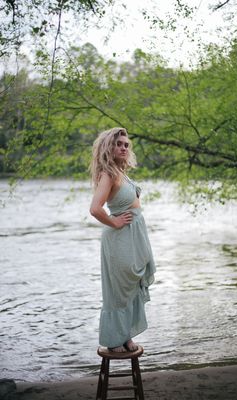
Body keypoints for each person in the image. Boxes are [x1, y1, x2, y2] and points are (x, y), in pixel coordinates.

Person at [90, 127, 156, 352]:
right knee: (118, 289)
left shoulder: (121, 172)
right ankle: (113, 338)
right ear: (109, 147)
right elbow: (95, 209)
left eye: (127, 145)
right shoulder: (108, 174)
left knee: (131, 285)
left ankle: (125, 336)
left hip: (133, 236)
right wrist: (114, 222)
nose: (124, 148)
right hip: (119, 239)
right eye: (119, 144)